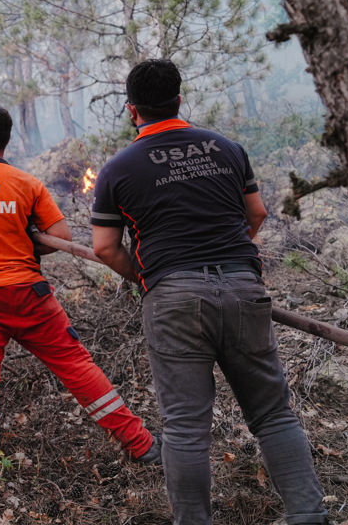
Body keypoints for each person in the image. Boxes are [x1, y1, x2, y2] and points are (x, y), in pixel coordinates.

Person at [90, 59, 328, 525]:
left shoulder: (118, 168)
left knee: (184, 427)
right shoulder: (226, 148)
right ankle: (308, 515)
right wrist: (231, 261)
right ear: (179, 100)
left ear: (131, 110)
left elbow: (103, 247)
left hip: (174, 298)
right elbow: (255, 214)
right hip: (243, 288)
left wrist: (148, 278)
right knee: (273, 415)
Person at [0, 103, 161, 524]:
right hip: (29, 293)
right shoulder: (26, 182)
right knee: (77, 367)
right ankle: (142, 446)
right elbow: (60, 238)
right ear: (6, 140)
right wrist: (22, 238)